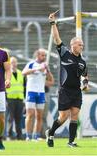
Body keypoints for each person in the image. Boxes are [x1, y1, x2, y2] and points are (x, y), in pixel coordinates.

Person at [45, 12, 89, 148]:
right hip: (64, 90)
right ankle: (50, 133)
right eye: (79, 44)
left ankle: (71, 141)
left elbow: (85, 76)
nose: (82, 46)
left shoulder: (82, 61)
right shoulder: (64, 53)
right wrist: (53, 23)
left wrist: (85, 84)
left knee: (75, 115)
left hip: (76, 91)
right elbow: (57, 38)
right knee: (63, 117)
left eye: (82, 45)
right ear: (72, 45)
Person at [22, 48, 54, 141]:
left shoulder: (45, 66)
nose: (44, 57)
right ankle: (28, 136)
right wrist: (37, 69)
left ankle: (36, 136)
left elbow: (51, 81)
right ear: (37, 55)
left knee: (39, 116)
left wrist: (47, 70)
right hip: (31, 92)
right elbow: (23, 73)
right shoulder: (31, 64)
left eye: (45, 55)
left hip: (41, 93)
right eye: (42, 55)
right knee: (30, 114)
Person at [6, 57, 25, 140]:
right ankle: (10, 135)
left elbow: (23, 86)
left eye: (15, 62)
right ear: (9, 64)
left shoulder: (20, 73)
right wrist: (5, 99)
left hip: (20, 99)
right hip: (10, 99)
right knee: (11, 118)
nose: (13, 64)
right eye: (12, 62)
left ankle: (19, 136)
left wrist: (24, 99)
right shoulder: (6, 74)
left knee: (19, 118)